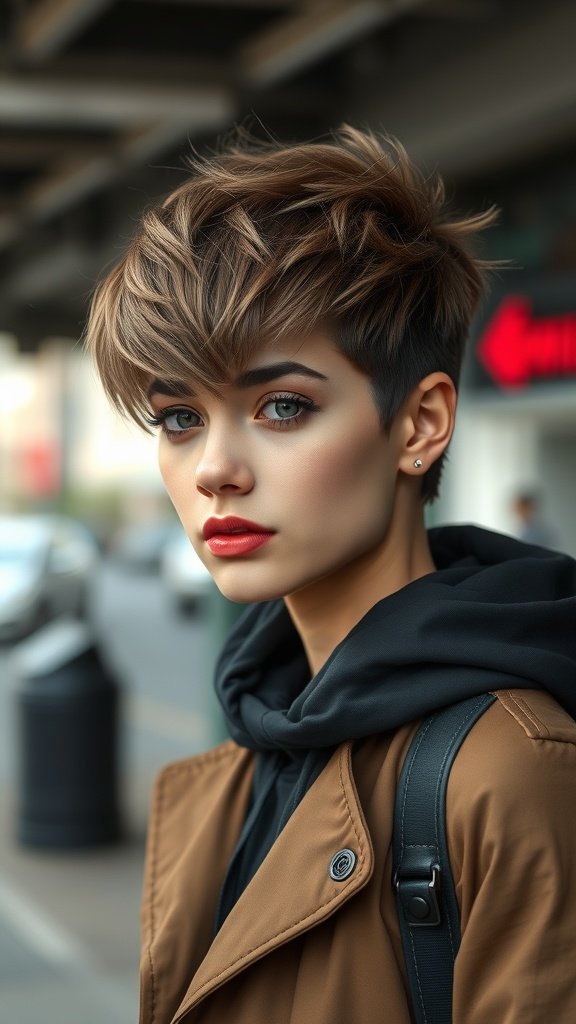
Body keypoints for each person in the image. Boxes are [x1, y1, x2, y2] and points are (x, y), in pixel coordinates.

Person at [86, 127, 576, 1024]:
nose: (213, 469)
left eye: (282, 406)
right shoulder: (245, 757)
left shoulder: (510, 772)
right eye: (180, 417)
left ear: (420, 424)